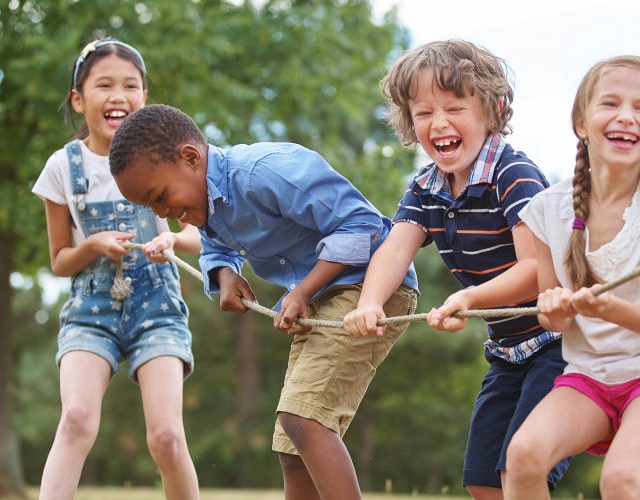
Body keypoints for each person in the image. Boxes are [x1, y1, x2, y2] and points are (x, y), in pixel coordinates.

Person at [108, 103, 418, 500]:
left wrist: (303, 289)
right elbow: (214, 246)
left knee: (303, 420)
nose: (163, 213)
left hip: (370, 289)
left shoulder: (263, 172)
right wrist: (224, 275)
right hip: (324, 299)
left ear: (190, 157)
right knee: (292, 448)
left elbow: (363, 226)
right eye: (151, 207)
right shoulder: (209, 205)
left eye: (161, 197)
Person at [342, 39, 570, 499]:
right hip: (507, 352)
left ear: (493, 108)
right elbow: (394, 250)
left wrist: (468, 298)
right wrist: (369, 302)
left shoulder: (514, 174)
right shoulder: (427, 187)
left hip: (560, 345)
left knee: (521, 468)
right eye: (423, 112)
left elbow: (537, 270)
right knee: (482, 481)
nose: (439, 123)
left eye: (454, 108)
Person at [505, 55, 640, 500]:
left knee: (621, 479)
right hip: (591, 373)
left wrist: (609, 308)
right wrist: (552, 309)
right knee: (523, 455)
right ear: (581, 122)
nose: (626, 117)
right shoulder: (547, 211)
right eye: (610, 103)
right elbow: (553, 318)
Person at [31, 39, 201, 500]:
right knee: (76, 421)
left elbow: (198, 235)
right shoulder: (61, 168)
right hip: (91, 310)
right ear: (78, 99)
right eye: (103, 85)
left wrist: (172, 237)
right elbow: (60, 260)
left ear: (145, 96)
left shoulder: (169, 155)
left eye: (131, 85)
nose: (118, 95)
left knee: (166, 436)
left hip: (158, 306)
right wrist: (92, 244)